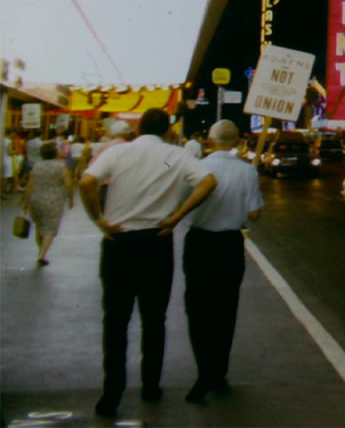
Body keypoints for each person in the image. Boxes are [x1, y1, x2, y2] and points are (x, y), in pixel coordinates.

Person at [80, 107, 217, 419]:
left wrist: (98, 220)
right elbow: (208, 182)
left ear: (138, 127)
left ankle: (111, 393)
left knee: (115, 320)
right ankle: (150, 385)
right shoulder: (173, 156)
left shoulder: (118, 153)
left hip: (119, 243)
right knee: (154, 318)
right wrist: (179, 214)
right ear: (168, 129)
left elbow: (88, 182)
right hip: (157, 241)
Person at [182, 119, 264, 404]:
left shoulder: (197, 167)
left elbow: (183, 201)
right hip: (229, 243)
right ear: (238, 141)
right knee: (225, 307)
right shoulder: (247, 171)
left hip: (199, 241)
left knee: (197, 306)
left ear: (210, 139)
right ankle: (217, 370)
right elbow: (255, 214)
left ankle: (204, 367)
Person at [22, 140, 74, 266]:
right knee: (50, 229)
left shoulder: (37, 166)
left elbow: (30, 185)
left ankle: (40, 251)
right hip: (54, 200)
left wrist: (25, 201)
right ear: (55, 153)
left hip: (36, 199)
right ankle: (42, 255)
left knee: (39, 227)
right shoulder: (61, 166)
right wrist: (71, 198)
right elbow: (68, 183)